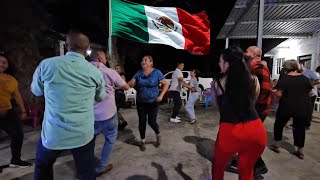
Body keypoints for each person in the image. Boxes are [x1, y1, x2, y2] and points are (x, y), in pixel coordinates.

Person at [31, 30, 106, 180]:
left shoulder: (46, 65)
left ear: (66, 45)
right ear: (88, 48)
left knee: (42, 166)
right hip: (82, 134)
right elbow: (100, 97)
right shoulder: (95, 72)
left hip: (53, 134)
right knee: (86, 172)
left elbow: (36, 91)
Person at [211, 46, 267, 180]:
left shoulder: (217, 83)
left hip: (230, 131)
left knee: (218, 168)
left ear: (227, 64)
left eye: (220, 61)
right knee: (246, 172)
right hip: (255, 130)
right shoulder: (253, 79)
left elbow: (218, 107)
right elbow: (252, 101)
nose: (219, 64)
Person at [89, 50, 129, 176]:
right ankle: (101, 166)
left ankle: (86, 165)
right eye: (105, 57)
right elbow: (126, 87)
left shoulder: (82, 71)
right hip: (108, 114)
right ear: (100, 58)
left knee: (89, 142)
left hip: (90, 115)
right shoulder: (109, 71)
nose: (106, 59)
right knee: (110, 139)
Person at [269, 60, 312, 160]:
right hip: (302, 107)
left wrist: (273, 102)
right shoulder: (305, 79)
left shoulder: (285, 79)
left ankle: (277, 146)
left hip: (286, 106)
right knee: (299, 128)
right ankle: (300, 151)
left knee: (279, 125)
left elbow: (279, 94)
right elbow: (309, 93)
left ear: (285, 68)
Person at [128, 55, 169, 151]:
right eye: (142, 60)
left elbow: (165, 84)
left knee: (151, 121)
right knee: (142, 122)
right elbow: (130, 83)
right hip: (141, 102)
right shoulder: (139, 73)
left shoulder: (157, 72)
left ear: (151, 62)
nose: (143, 61)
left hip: (153, 102)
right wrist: (120, 83)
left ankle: (158, 134)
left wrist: (161, 96)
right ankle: (142, 141)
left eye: (145, 60)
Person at [0, 51, 31, 169]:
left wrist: (23, 110)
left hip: (7, 111)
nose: (1, 64)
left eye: (4, 62)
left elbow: (17, 95)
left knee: (17, 134)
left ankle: (15, 160)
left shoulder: (11, 79)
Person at [243, 45, 271, 177]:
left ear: (254, 54)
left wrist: (252, 110)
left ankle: (258, 166)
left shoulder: (259, 68)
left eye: (247, 51)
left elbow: (264, 92)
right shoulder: (252, 68)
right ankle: (257, 164)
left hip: (257, 111)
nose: (244, 52)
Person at [299, 62, 319, 130]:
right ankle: (301, 123)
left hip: (311, 94)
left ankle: (307, 125)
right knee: (302, 109)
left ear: (302, 66)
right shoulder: (299, 72)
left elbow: (318, 81)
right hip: (303, 94)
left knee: (308, 110)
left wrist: (308, 84)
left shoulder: (309, 72)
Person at [114, 64, 128, 130]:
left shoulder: (121, 76)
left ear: (120, 69)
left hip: (120, 94)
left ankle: (123, 122)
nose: (116, 69)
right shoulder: (115, 76)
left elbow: (123, 85)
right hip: (116, 94)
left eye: (118, 68)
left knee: (115, 110)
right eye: (116, 68)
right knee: (115, 110)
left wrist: (115, 87)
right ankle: (121, 123)